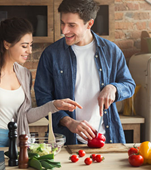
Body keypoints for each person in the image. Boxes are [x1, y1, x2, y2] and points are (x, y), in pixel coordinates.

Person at [0, 17, 82, 150]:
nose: (29, 51)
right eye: (24, 46)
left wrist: (54, 105)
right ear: (7, 44)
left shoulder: (25, 74)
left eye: (30, 45)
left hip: (19, 142)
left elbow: (25, 116)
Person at [34, 0, 135, 145]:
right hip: (67, 142)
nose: (64, 30)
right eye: (62, 23)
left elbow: (129, 85)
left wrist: (113, 88)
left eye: (71, 25)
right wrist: (69, 122)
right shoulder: (51, 54)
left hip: (107, 139)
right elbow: (43, 99)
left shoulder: (111, 51)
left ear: (89, 24)